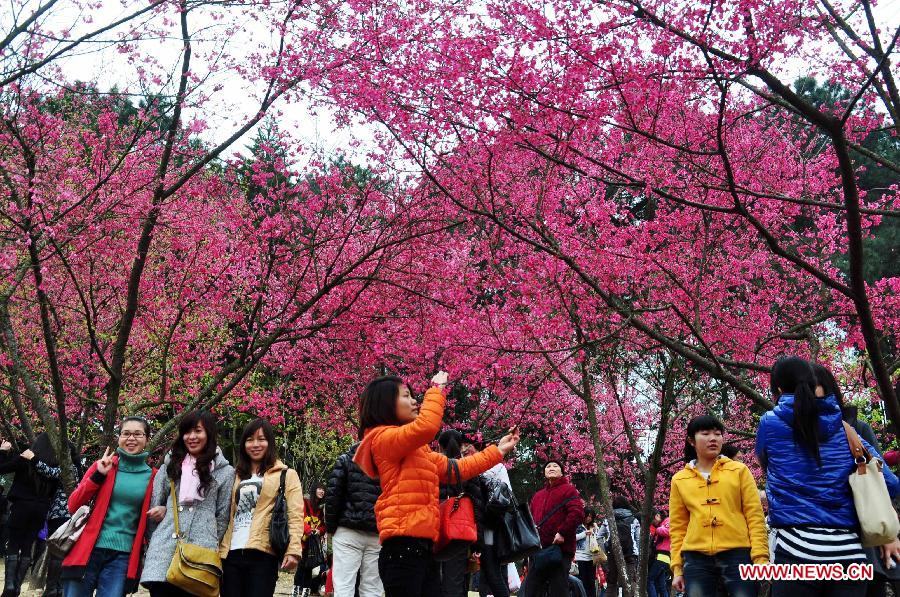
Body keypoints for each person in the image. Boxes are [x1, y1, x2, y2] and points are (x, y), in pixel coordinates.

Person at [353, 371, 520, 597]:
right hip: (402, 547)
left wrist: (498, 450)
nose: (414, 401)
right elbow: (427, 427)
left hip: (424, 546)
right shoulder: (382, 439)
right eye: (406, 396)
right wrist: (436, 390)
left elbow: (456, 469)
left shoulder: (416, 449)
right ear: (385, 403)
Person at [757, 357, 900, 597]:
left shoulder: (769, 424)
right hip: (848, 556)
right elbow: (891, 484)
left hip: (795, 551)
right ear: (815, 385)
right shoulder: (847, 430)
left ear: (779, 389)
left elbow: (765, 461)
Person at [670, 414, 768, 597]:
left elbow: (755, 516)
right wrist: (677, 569)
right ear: (691, 440)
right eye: (705, 433)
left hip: (738, 553)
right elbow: (677, 527)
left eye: (717, 433)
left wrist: (761, 558)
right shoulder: (679, 479)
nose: (713, 438)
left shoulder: (739, 471)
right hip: (696, 558)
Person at [140, 411, 235, 596]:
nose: (191, 437)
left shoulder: (225, 471)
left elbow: (222, 516)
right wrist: (157, 536)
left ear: (208, 433)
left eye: (198, 431)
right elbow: (154, 506)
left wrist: (206, 538)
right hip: (165, 551)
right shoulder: (171, 464)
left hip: (200, 553)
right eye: (187, 432)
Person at [60, 417, 156, 597]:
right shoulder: (103, 465)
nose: (131, 438)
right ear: (118, 437)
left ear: (147, 439)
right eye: (126, 433)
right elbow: (73, 505)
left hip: (122, 556)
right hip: (89, 549)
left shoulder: (153, 477)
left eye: (138, 434)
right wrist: (97, 476)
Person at [219, 418, 304, 597]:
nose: (255, 444)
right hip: (231, 553)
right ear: (243, 444)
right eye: (250, 440)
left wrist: (294, 550)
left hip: (264, 553)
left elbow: (295, 515)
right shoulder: (235, 476)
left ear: (270, 443)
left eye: (261, 439)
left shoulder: (286, 474)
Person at [0, 433, 63, 597]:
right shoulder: (54, 465)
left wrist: (2, 451)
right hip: (41, 508)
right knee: (27, 545)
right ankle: (18, 585)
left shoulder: (25, 458)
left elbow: (2, 469)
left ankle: (10, 586)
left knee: (13, 543)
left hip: (21, 505)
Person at [324, 441, 383, 597]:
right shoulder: (388, 463)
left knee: (344, 586)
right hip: (377, 532)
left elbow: (333, 497)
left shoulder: (345, 460)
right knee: (372, 588)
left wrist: (330, 528)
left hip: (347, 530)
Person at [518, 460, 585, 597]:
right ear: (544, 472)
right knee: (532, 589)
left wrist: (562, 532)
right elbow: (530, 520)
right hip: (538, 550)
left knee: (558, 589)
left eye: (555, 466)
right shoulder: (538, 495)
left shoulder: (569, 490)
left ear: (562, 472)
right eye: (548, 466)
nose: (551, 468)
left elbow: (577, 513)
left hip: (560, 549)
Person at [436, 430, 485, 597]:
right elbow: (477, 506)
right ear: (461, 446)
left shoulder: (432, 467)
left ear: (439, 446)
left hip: (432, 530)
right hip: (458, 532)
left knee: (431, 580)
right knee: (455, 582)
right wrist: (478, 542)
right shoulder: (468, 468)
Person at [475, 437, 512, 597]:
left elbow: (505, 495)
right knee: (489, 570)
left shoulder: (495, 468)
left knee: (491, 568)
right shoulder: (495, 467)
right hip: (484, 523)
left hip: (489, 525)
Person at [597, 496, 640, 597]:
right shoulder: (634, 520)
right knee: (629, 582)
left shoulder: (608, 520)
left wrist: (605, 549)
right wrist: (638, 554)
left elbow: (599, 537)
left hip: (612, 554)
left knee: (611, 583)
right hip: (630, 555)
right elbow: (638, 539)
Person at [293, 484, 326, 597]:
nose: (322, 491)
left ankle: (306, 591)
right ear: (314, 490)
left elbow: (323, 525)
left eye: (323, 490)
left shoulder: (321, 508)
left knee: (310, 566)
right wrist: (309, 530)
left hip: (314, 542)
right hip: (303, 539)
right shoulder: (305, 502)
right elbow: (300, 518)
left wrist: (319, 531)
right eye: (320, 488)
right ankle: (296, 590)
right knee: (302, 565)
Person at [575, 508, 599, 597]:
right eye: (587, 516)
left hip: (592, 557)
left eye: (591, 517)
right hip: (580, 557)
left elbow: (598, 539)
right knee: (582, 581)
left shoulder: (593, 526)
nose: (589, 518)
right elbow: (573, 538)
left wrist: (596, 530)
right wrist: (584, 533)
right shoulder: (578, 526)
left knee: (591, 582)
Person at [648, 512, 670, 597]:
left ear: (657, 516)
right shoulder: (662, 524)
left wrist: (657, 529)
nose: (653, 522)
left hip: (663, 555)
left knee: (650, 580)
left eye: (653, 520)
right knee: (661, 585)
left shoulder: (667, 521)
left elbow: (669, 531)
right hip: (662, 556)